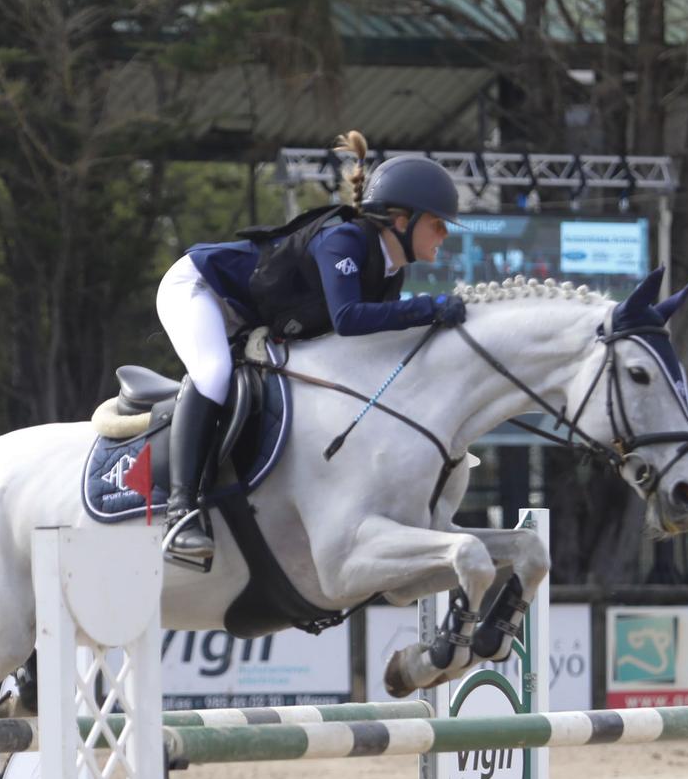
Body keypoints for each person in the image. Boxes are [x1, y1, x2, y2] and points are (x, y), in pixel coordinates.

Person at [153, 130, 467, 569]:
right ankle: (179, 512)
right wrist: (431, 308)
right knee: (213, 373)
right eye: (438, 223)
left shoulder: (388, 271)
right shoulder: (345, 241)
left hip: (247, 313)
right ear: (401, 220)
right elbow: (348, 319)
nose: (444, 234)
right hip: (200, 286)